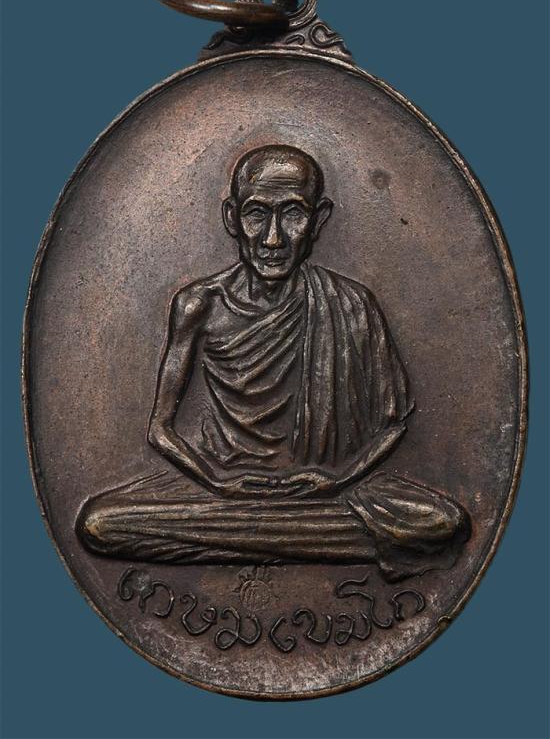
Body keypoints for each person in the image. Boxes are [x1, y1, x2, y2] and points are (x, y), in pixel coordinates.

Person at [78, 145, 469, 579]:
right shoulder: (199, 305)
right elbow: (160, 429)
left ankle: (246, 539)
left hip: (324, 493)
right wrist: (217, 481)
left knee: (441, 523)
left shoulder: (352, 304)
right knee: (100, 524)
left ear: (319, 220)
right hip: (220, 489)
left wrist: (337, 480)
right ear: (232, 218)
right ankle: (293, 540)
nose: (273, 239)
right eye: (257, 214)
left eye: (293, 214)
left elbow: (392, 426)